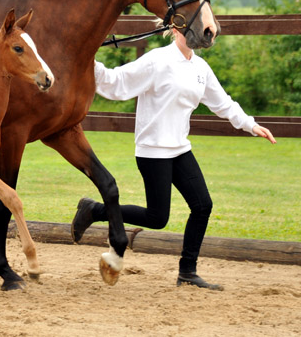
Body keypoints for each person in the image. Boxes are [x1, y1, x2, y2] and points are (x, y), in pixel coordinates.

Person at [71, 28, 276, 291]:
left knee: (202, 205)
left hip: (179, 149)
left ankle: (187, 272)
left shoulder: (200, 68)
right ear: (175, 29)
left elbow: (222, 102)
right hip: (153, 151)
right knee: (158, 218)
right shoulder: (157, 61)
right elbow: (117, 82)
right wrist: (88, 57)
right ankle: (96, 210)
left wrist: (250, 125)